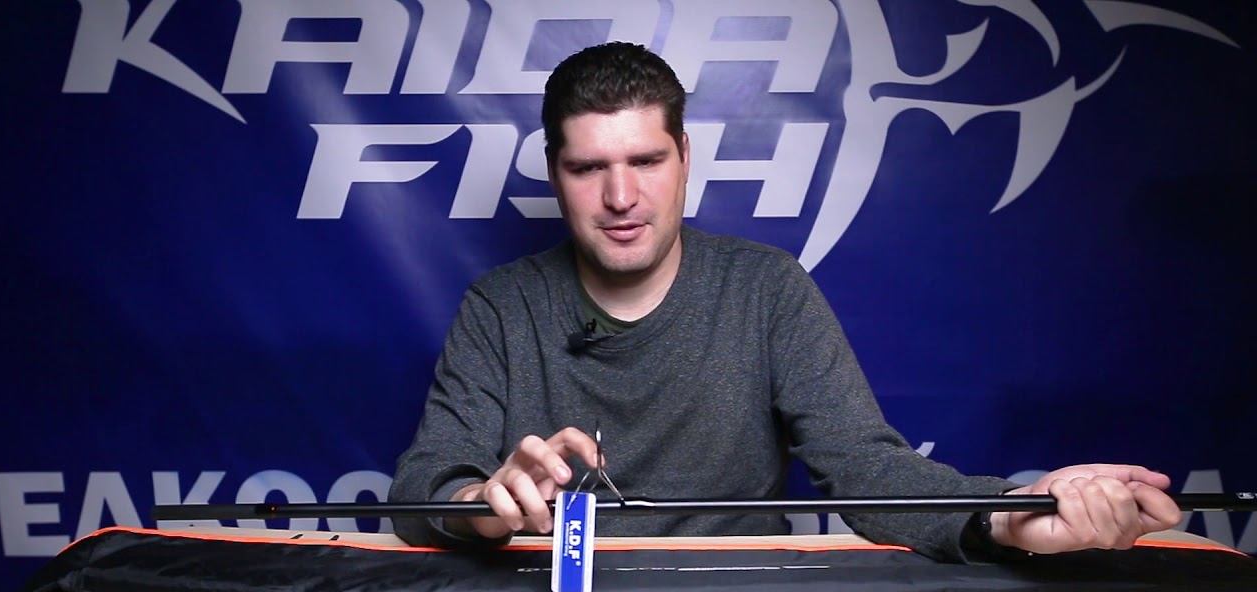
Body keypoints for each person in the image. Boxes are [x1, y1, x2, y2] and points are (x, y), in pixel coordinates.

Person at [389, 42, 1181, 561]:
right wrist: (480, 503)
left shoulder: (766, 289)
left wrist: (1010, 516)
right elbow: (423, 488)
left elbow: (868, 470)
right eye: (589, 168)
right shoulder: (501, 305)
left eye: (646, 161)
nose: (621, 196)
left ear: (684, 157)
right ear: (555, 174)